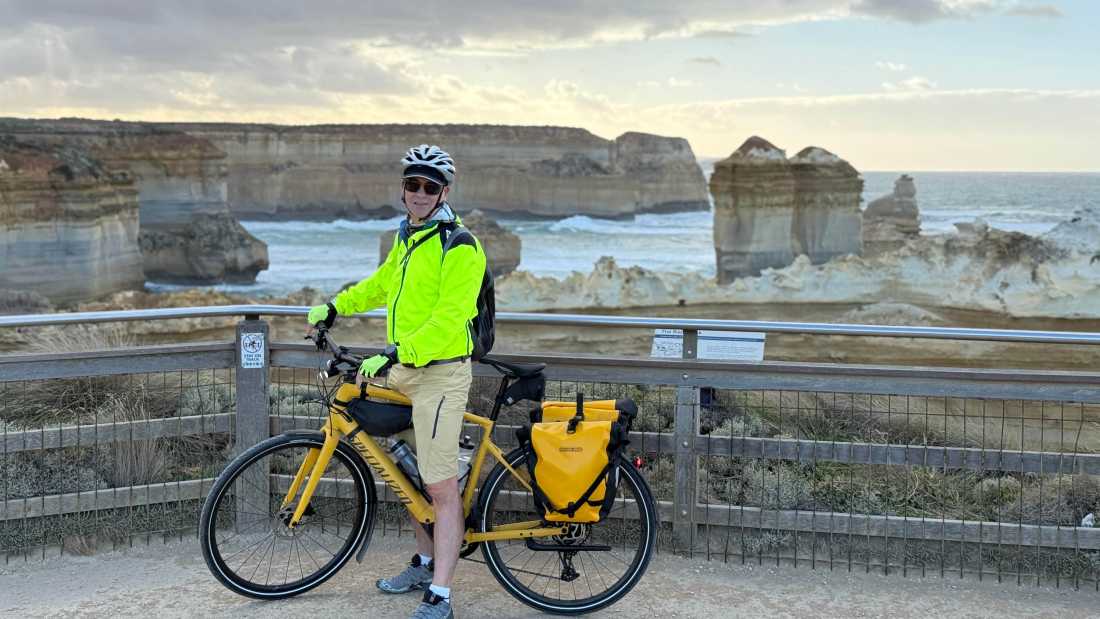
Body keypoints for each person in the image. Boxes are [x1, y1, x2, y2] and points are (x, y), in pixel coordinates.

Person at [308, 144, 485, 619]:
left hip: (441, 376)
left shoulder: (460, 245)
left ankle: (442, 595)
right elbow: (380, 284)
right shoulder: (407, 238)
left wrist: (394, 351)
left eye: (430, 186)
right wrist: (335, 307)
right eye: (413, 184)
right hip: (405, 372)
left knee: (441, 487)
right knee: (408, 473)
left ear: (444, 191)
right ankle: (425, 562)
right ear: (404, 189)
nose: (420, 193)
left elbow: (451, 320)